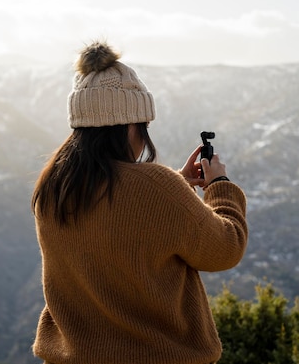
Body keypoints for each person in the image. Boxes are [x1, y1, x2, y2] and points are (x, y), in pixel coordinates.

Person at [31, 41, 248, 364]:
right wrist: (219, 187)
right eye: (144, 125)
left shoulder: (55, 186)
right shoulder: (157, 187)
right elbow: (224, 249)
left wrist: (178, 185)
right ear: (129, 125)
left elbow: (115, 217)